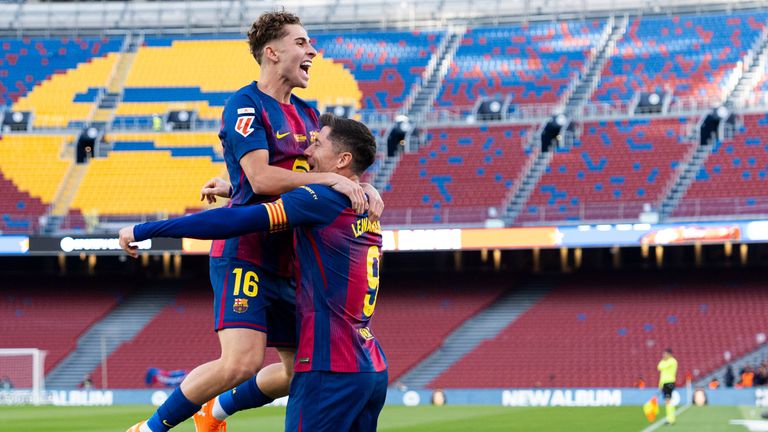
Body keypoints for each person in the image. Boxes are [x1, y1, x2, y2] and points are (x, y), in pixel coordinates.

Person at [126, 11, 382, 432]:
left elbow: (311, 173)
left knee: (300, 369)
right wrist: (331, 179)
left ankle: (213, 411)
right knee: (241, 363)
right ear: (272, 52)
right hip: (246, 252)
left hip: (290, 260)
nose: (313, 51)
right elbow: (264, 178)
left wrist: (360, 185)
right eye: (301, 43)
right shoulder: (245, 105)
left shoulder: (309, 114)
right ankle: (149, 429)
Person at [657, 348, 678, 425]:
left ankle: (670, 419)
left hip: (669, 382)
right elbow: (659, 367)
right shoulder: (665, 361)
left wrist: (663, 361)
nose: (664, 355)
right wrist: (660, 385)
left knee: (668, 400)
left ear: (670, 354)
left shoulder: (672, 361)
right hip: (664, 383)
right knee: (667, 400)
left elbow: (661, 367)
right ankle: (670, 418)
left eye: (665, 354)